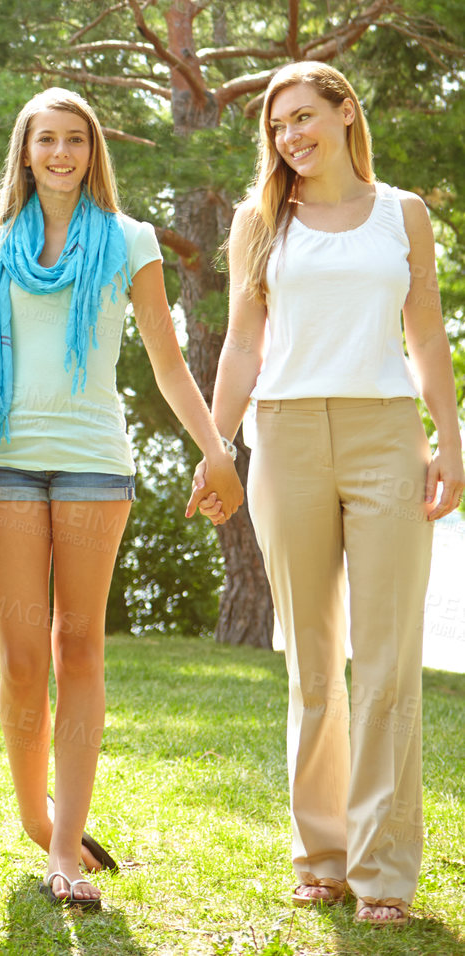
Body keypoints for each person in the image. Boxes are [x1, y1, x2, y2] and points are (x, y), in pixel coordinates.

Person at [0, 88, 243, 910]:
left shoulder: (129, 239)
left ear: (93, 150)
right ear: (26, 150)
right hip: (7, 461)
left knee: (77, 648)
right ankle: (38, 822)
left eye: (76, 139)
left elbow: (166, 359)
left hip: (93, 464)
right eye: (47, 139)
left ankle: (64, 848)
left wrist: (216, 448)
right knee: (20, 660)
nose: (62, 152)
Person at [189, 62, 464, 927]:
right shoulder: (259, 221)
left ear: (347, 112)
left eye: (304, 117)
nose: (290, 137)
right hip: (286, 436)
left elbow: (425, 332)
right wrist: (216, 446)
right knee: (313, 665)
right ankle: (320, 858)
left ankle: (384, 872)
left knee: (386, 664)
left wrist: (450, 440)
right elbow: (241, 345)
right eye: (277, 126)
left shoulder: (402, 213)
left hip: (388, 434)